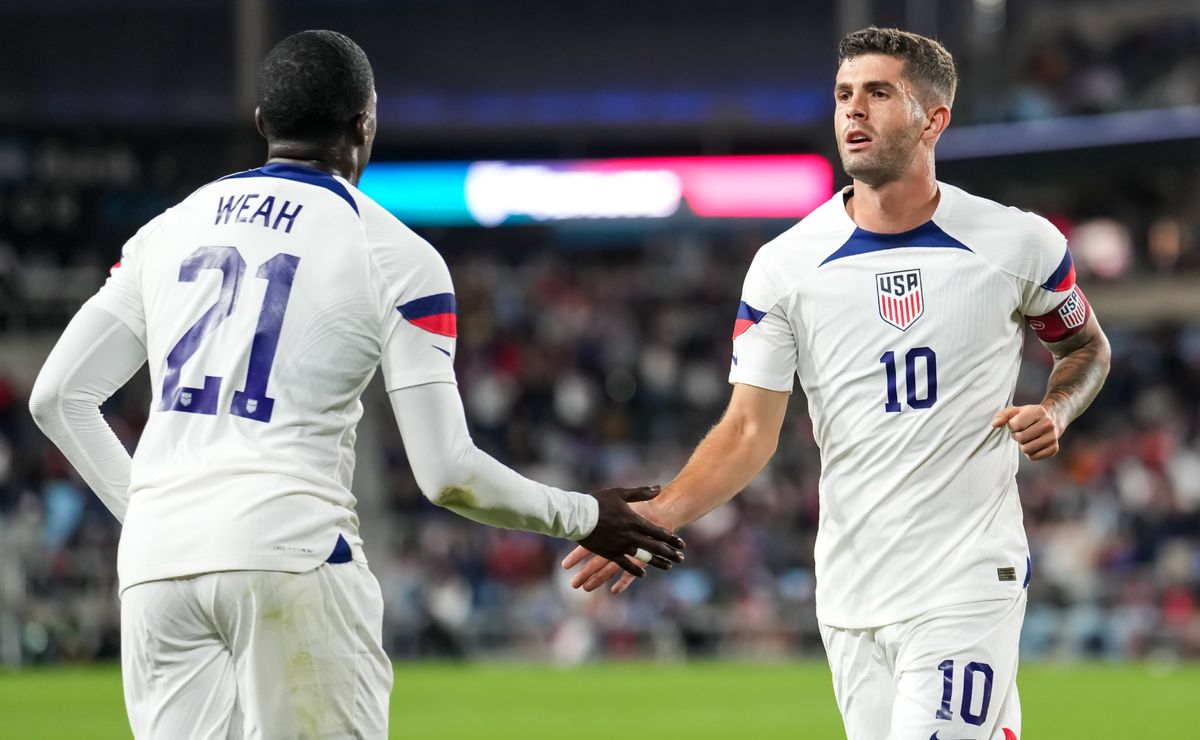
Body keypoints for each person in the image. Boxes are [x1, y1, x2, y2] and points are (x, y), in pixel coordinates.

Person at [28, 30, 683, 739]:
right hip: (291, 550)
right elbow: (447, 475)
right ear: (365, 123)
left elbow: (57, 396)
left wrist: (159, 512)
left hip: (157, 566)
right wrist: (586, 515)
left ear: (261, 124)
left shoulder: (168, 229)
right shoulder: (395, 254)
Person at [564, 26, 1110, 740]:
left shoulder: (1017, 242)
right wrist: (661, 513)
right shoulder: (785, 266)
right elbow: (748, 429)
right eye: (844, 95)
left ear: (932, 119)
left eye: (879, 94)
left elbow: (1085, 348)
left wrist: (1059, 409)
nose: (854, 111)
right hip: (851, 592)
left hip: (966, 579)